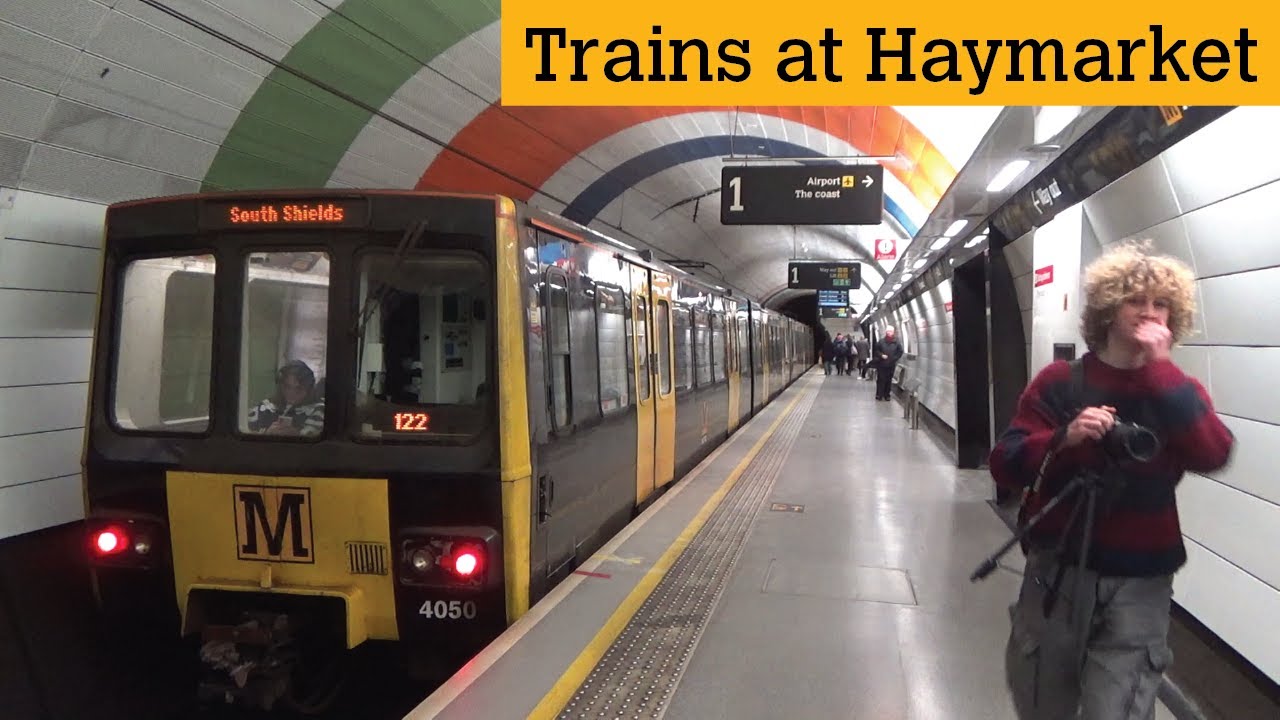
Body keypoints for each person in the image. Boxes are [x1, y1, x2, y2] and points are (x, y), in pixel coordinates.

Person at [988, 241, 1234, 720]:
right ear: (1108, 307)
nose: (1148, 312)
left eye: (1160, 303)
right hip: (1059, 570)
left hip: (1141, 580)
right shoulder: (1060, 382)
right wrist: (1063, 438)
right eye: (1134, 300)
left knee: (1118, 708)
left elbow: (1213, 452)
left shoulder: (1178, 391)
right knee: (1043, 698)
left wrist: (1160, 371)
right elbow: (1006, 461)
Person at [246, 360, 325, 437]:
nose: (291, 393)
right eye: (287, 387)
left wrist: (297, 435)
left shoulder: (319, 410)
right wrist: (267, 434)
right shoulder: (265, 407)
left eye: (299, 389)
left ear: (308, 389)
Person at [872, 327, 903, 400]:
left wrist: (894, 358)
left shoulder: (896, 343)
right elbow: (876, 351)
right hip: (881, 364)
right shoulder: (881, 342)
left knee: (888, 380)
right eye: (888, 331)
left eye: (891, 331)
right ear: (886, 332)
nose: (889, 333)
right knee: (880, 379)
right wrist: (881, 355)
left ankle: (887, 395)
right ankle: (879, 394)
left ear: (893, 332)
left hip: (891, 364)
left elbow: (900, 352)